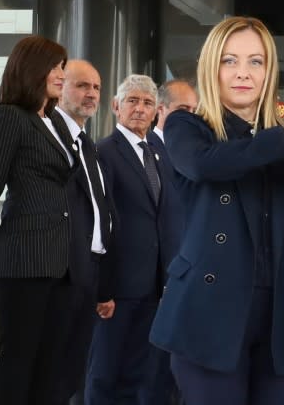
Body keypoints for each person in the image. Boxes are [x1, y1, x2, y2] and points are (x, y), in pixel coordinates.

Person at [149, 16, 284, 405]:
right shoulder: (189, 126)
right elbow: (206, 164)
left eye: (256, 61)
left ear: (269, 70)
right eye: (229, 60)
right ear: (211, 67)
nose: (243, 73)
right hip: (208, 316)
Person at [0, 35, 77, 405]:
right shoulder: (9, 118)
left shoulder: (55, 123)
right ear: (31, 69)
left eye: (62, 66)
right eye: (54, 66)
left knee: (50, 371)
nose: (61, 74)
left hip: (59, 264)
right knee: (17, 369)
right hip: (21, 263)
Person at [85, 74, 183, 405]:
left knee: (151, 378)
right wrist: (104, 286)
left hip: (158, 289)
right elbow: (98, 222)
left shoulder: (160, 155)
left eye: (147, 103)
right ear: (116, 106)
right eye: (132, 101)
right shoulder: (102, 152)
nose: (140, 109)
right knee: (106, 375)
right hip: (118, 291)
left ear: (156, 110)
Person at [54, 59, 116, 404]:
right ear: (60, 87)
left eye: (96, 87)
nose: (91, 93)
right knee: (54, 374)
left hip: (88, 274)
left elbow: (100, 214)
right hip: (59, 273)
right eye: (81, 85)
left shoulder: (87, 143)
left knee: (75, 374)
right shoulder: (49, 134)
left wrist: (102, 284)